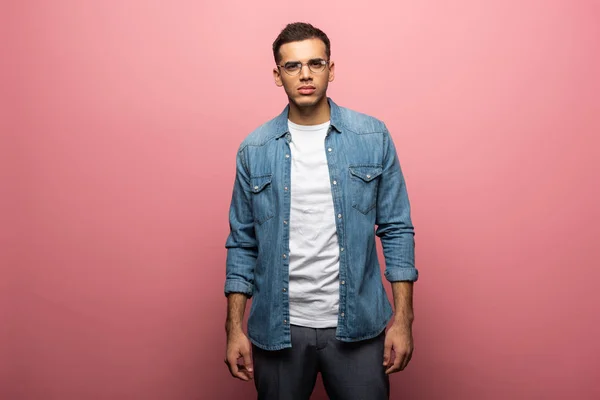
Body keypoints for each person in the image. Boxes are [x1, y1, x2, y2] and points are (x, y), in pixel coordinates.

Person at [223, 21, 418, 400]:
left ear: (331, 69)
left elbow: (397, 229)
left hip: (358, 325)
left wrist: (404, 319)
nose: (305, 74)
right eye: (292, 66)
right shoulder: (255, 149)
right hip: (278, 329)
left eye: (315, 63)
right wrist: (233, 329)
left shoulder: (372, 137)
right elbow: (242, 244)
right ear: (278, 75)